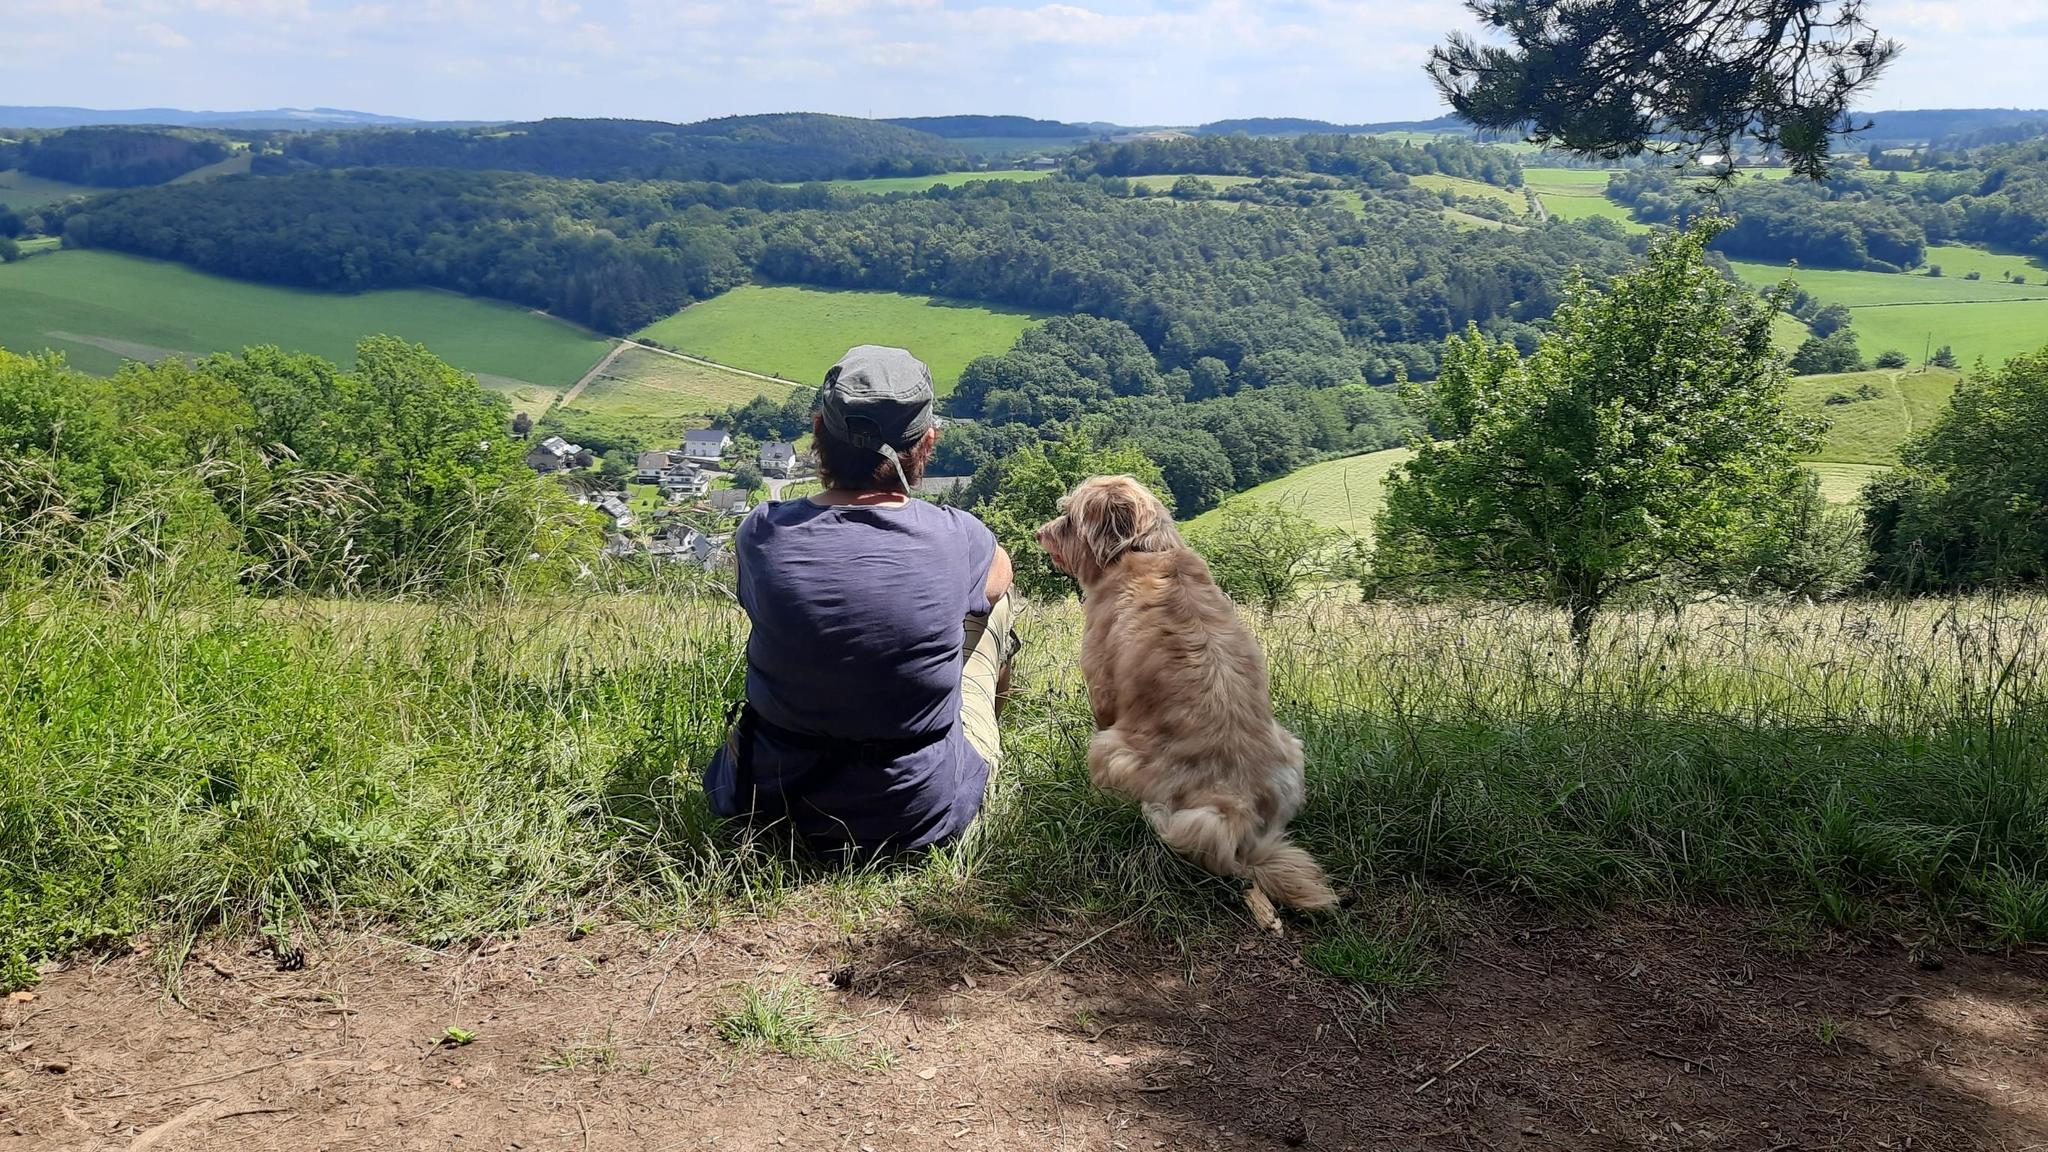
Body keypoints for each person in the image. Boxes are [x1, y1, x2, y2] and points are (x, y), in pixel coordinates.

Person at [703, 345, 1017, 858]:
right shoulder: (958, 535)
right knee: (994, 603)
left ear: (817, 432)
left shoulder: (761, 532)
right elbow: (999, 579)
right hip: (920, 818)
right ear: (928, 442)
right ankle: (970, 751)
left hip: (769, 807)